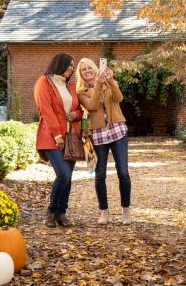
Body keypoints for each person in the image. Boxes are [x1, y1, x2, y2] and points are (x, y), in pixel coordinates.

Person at [76, 58, 132, 225]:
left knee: (123, 172)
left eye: (89, 68)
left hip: (117, 131)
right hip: (98, 134)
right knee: (100, 174)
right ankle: (104, 211)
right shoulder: (81, 91)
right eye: (83, 70)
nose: (87, 71)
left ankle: (126, 210)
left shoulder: (108, 82)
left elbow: (119, 98)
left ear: (95, 68)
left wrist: (111, 80)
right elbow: (92, 106)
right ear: (81, 74)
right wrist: (98, 84)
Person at [34, 53, 83, 228]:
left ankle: (61, 213)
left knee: (68, 177)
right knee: (63, 174)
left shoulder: (70, 87)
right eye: (69, 65)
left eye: (72, 66)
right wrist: (56, 135)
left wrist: (76, 114)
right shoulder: (44, 82)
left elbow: (80, 110)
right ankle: (51, 211)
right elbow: (45, 110)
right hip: (51, 138)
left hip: (71, 139)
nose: (71, 69)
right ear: (59, 64)